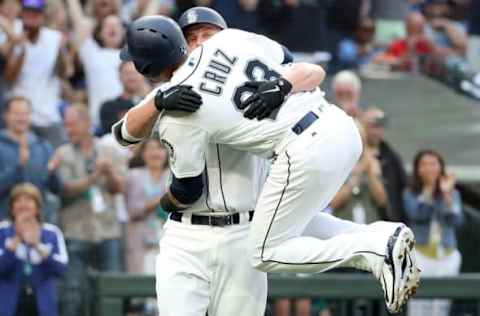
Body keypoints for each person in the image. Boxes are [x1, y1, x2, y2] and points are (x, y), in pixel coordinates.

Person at [116, 15, 420, 314]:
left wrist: (284, 84)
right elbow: (123, 131)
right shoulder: (182, 91)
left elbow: (185, 190)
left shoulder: (206, 84)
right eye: (191, 35)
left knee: (267, 250)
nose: (199, 40)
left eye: (205, 33)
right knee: (298, 222)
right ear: (180, 44)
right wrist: (156, 103)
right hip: (189, 236)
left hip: (246, 224)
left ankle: (374, 247)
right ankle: (378, 239)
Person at [55, 104, 126, 316]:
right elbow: (64, 189)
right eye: (66, 125)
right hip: (75, 229)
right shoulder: (62, 153)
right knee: (72, 291)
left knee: (112, 289)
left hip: (107, 229)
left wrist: (109, 172)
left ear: (86, 124)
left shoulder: (109, 151)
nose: (68, 129)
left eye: (72, 125)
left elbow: (118, 188)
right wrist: (94, 178)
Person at [404, 150, 463, 316]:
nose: (430, 168)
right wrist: (428, 190)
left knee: (442, 304)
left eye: (433, 164)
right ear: (417, 169)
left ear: (440, 167)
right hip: (420, 254)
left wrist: (445, 194)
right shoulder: (410, 193)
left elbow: (456, 220)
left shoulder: (452, 193)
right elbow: (418, 214)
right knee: (419, 303)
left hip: (446, 254)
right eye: (425, 164)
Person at [4, 0, 69, 148]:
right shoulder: (12, 32)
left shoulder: (54, 37)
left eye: (36, 13)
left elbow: (65, 73)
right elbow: (9, 77)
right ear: (22, 13)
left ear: (42, 16)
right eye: (28, 12)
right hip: (20, 115)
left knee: (53, 165)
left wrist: (61, 53)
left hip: (49, 115)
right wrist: (19, 47)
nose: (31, 16)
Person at [0, 182, 68, 316]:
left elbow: (60, 269)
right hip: (7, 305)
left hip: (43, 305)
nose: (23, 205)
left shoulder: (52, 233)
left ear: (38, 207)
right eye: (18, 200)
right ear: (12, 208)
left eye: (29, 200)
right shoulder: (2, 231)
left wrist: (37, 245)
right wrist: (16, 239)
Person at [0, 96, 62, 222]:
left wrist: (52, 173)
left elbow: (56, 189)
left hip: (39, 223)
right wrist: (19, 166)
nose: (22, 118)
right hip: (5, 223)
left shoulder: (43, 146)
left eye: (25, 114)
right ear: (5, 116)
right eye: (17, 114)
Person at [66, 0, 124, 128]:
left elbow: (147, 20)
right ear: (100, 33)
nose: (112, 28)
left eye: (116, 25)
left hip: (125, 124)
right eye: (108, 26)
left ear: (123, 32)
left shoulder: (131, 56)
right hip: (98, 124)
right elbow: (78, 21)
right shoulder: (92, 54)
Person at [124, 138, 169, 274]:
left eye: (160, 148)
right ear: (143, 154)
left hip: (168, 240)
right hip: (141, 243)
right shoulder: (134, 176)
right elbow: (134, 211)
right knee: (142, 289)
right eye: (150, 149)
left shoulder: (173, 176)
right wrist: (162, 198)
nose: (155, 153)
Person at [330, 123, 388, 223]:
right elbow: (334, 203)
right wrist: (358, 173)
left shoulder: (372, 164)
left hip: (369, 225)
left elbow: (382, 200)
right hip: (344, 226)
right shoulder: (337, 166)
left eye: (361, 140)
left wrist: (371, 173)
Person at [362, 108, 408, 222]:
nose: (376, 131)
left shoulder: (391, 157)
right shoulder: (351, 155)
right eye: (373, 125)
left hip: (385, 222)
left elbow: (397, 194)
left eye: (380, 126)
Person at [98, 61, 149, 136]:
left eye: (135, 73)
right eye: (127, 73)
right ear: (120, 76)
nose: (131, 77)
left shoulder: (153, 102)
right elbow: (110, 133)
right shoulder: (109, 106)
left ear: (143, 76)